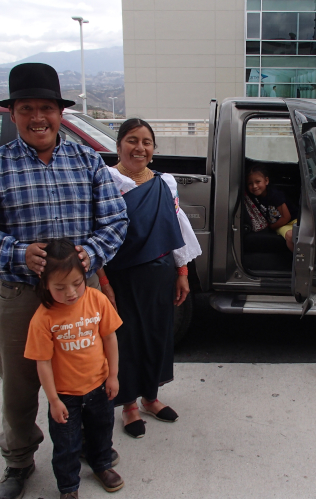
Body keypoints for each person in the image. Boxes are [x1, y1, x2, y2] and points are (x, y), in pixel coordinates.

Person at [0, 63, 128, 499]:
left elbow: (116, 220)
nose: (37, 117)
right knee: (19, 387)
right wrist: (16, 252)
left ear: (59, 113)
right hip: (19, 297)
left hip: (78, 297)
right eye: (26, 108)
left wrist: (91, 252)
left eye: (46, 107)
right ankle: (18, 462)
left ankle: (93, 449)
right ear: (12, 114)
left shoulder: (87, 160)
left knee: (86, 380)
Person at [103, 118, 201, 439]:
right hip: (121, 276)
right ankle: (129, 404)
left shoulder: (165, 183)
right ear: (118, 146)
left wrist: (182, 271)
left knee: (159, 334)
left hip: (161, 273)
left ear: (154, 150)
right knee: (126, 338)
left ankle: (151, 397)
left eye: (146, 142)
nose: (139, 147)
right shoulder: (106, 182)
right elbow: (94, 234)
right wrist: (103, 284)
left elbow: (176, 226)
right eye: (132, 140)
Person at [24, 239, 124, 499]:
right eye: (60, 287)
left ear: (85, 275)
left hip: (99, 386)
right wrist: (53, 400)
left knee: (101, 431)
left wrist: (113, 375)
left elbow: (110, 338)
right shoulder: (43, 318)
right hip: (65, 395)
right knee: (66, 445)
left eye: (77, 283)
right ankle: (68, 487)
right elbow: (42, 362)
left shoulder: (97, 300)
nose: (71, 292)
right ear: (45, 284)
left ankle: (101, 465)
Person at [246, 164, 297, 251]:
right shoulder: (253, 197)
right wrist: (273, 227)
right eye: (250, 183)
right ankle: (296, 260)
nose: (254, 186)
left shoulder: (275, 195)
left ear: (266, 181)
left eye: (258, 182)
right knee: (291, 236)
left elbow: (286, 217)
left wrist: (271, 227)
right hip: (282, 225)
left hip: (293, 220)